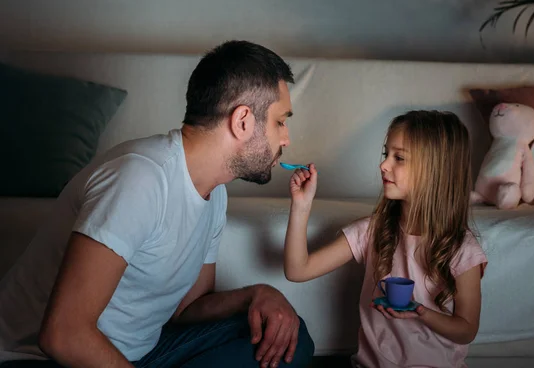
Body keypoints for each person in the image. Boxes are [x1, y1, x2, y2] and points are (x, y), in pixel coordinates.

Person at [0, 40, 314, 368]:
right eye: (280, 121)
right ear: (242, 121)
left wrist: (256, 294)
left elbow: (187, 308)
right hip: (44, 359)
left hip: (139, 354)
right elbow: (62, 335)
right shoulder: (139, 178)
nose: (286, 138)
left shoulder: (215, 192)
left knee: (284, 335)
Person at [283, 110, 488, 367]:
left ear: (436, 170)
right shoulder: (371, 232)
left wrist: (420, 312)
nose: (384, 165)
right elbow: (297, 270)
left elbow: (466, 329)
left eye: (399, 157)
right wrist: (301, 206)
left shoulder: (461, 248)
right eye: (386, 154)